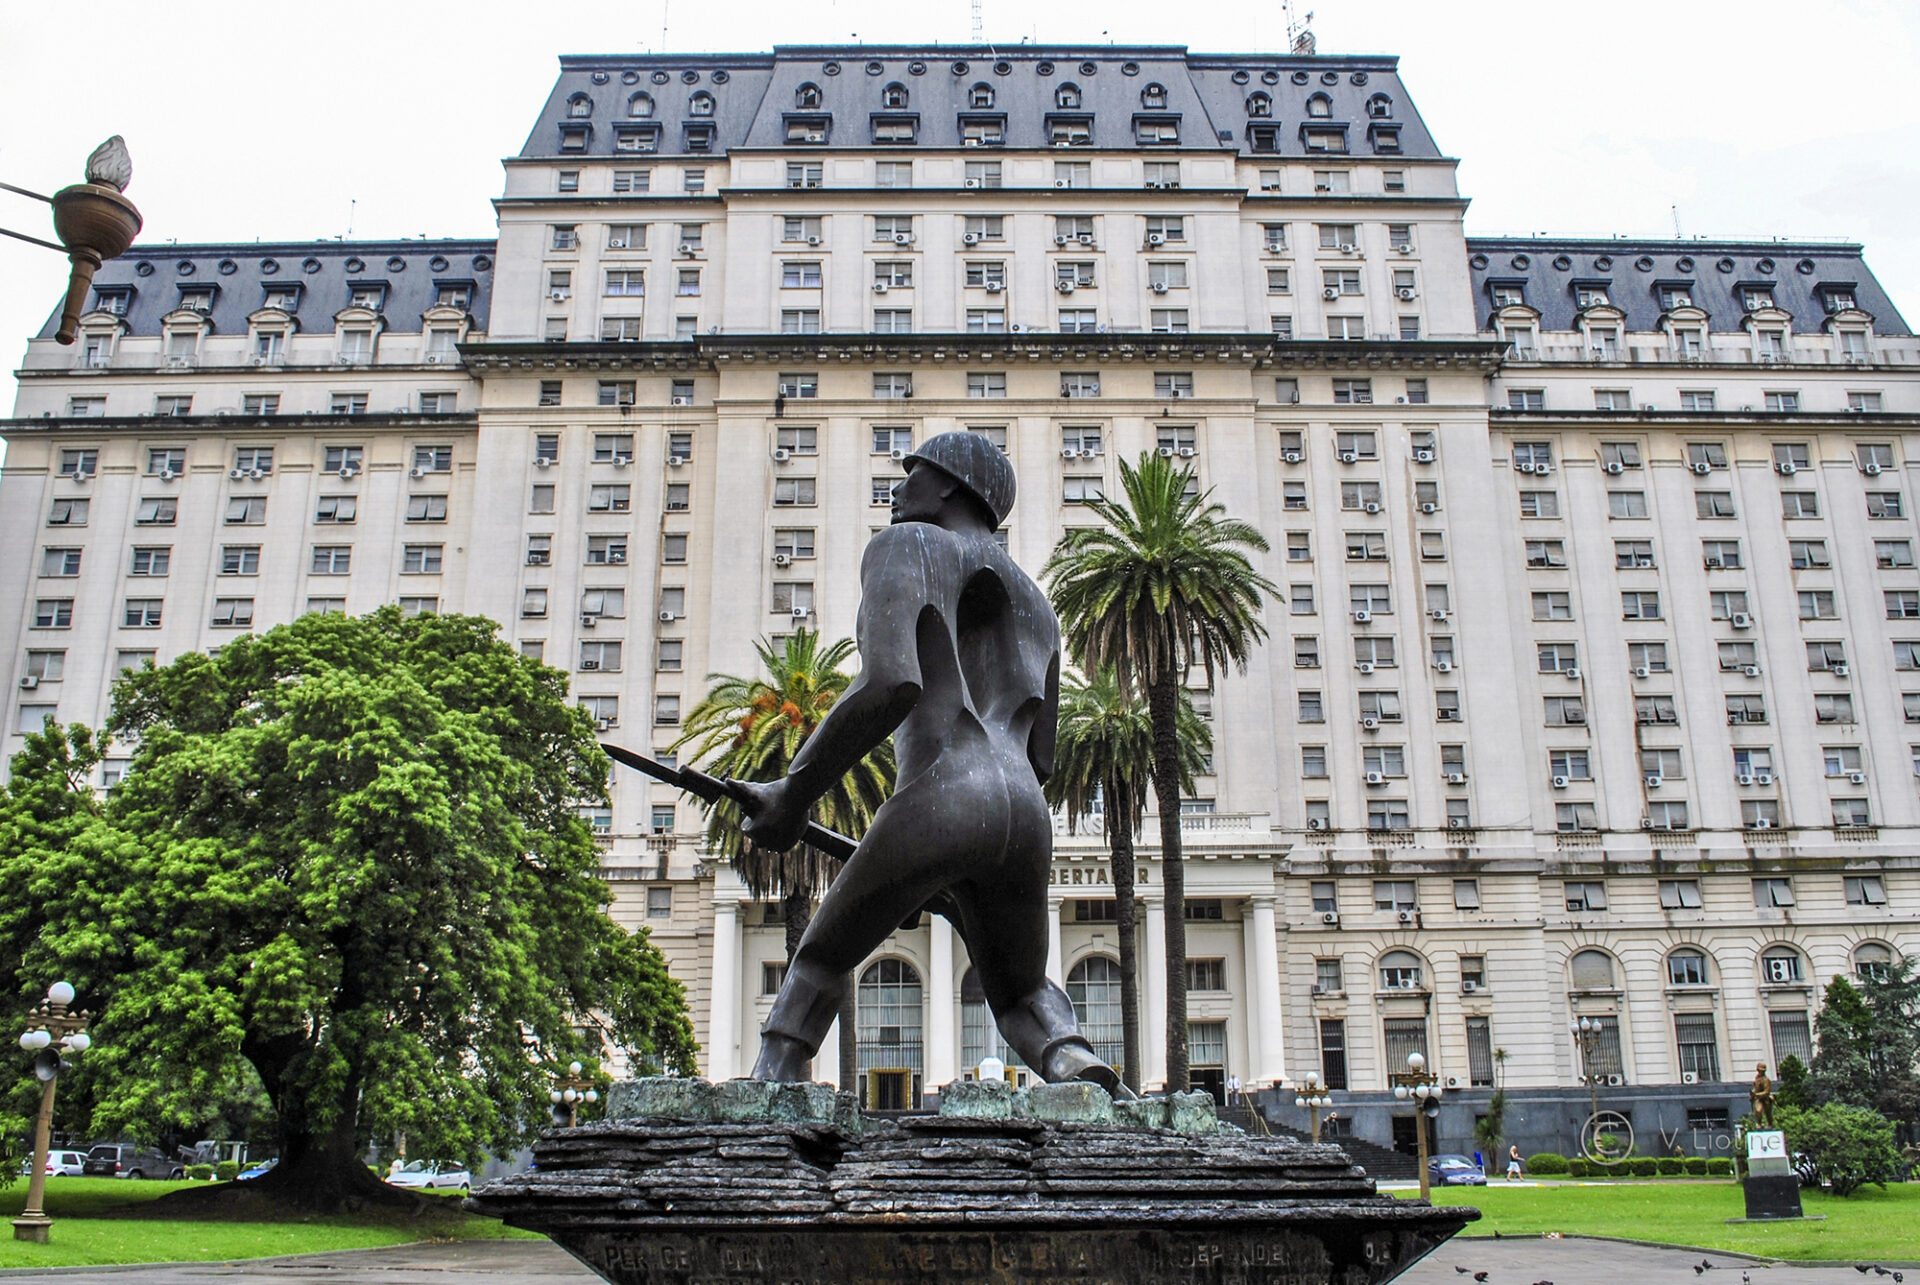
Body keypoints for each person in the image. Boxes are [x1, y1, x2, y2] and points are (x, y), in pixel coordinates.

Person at [738, 432, 1126, 1096]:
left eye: (910, 473)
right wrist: (964, 878)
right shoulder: (1039, 608)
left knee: (821, 957)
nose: (897, 490)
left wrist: (793, 794)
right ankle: (1073, 1059)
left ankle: (766, 1092)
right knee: (1020, 991)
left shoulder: (905, 545)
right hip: (1024, 815)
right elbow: (1043, 756)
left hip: (946, 788)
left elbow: (890, 683)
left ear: (949, 484)